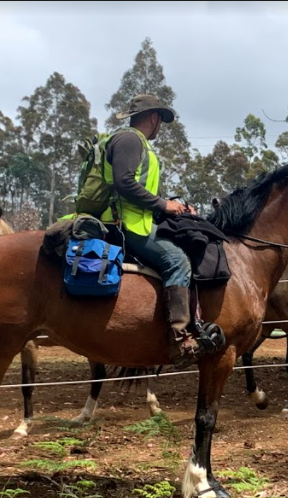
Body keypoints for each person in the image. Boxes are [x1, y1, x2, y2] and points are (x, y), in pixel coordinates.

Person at [104, 94, 202, 363]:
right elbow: (124, 183)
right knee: (177, 261)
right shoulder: (130, 139)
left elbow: (141, 189)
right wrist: (162, 204)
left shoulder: (137, 143)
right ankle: (179, 336)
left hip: (138, 219)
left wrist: (174, 206)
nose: (161, 126)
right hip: (128, 225)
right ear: (154, 117)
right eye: (161, 121)